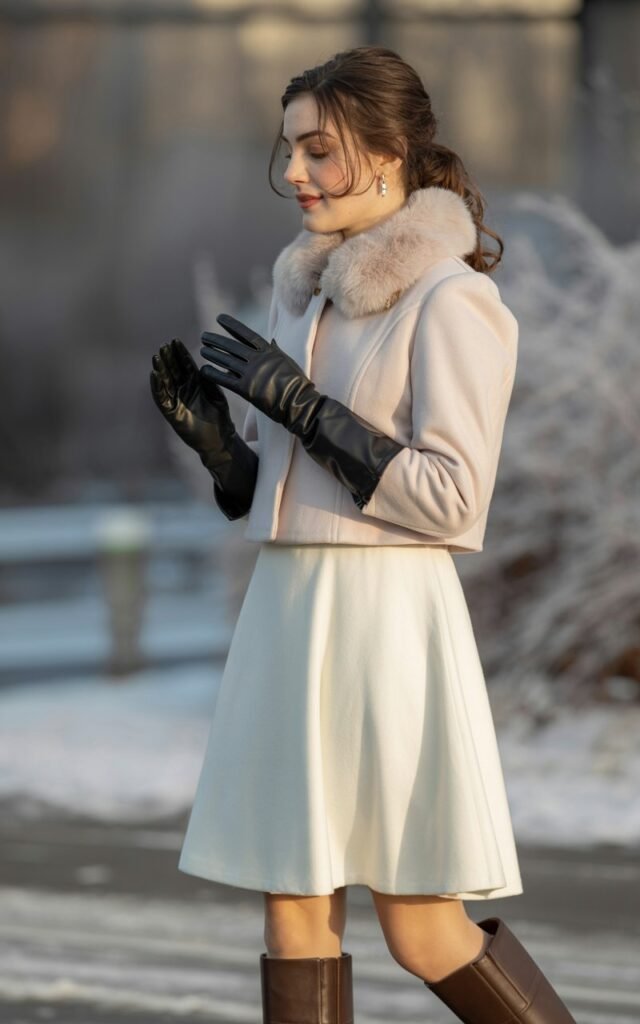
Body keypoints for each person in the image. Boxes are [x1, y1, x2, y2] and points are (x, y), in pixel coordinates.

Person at [149, 45, 577, 1024]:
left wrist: (305, 409)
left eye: (318, 150)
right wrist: (227, 459)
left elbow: (450, 497)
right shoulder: (299, 288)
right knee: (293, 909)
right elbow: (297, 493)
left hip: (388, 621)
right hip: (289, 614)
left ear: (388, 152)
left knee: (423, 926)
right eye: (288, 151)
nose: (294, 173)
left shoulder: (453, 298)